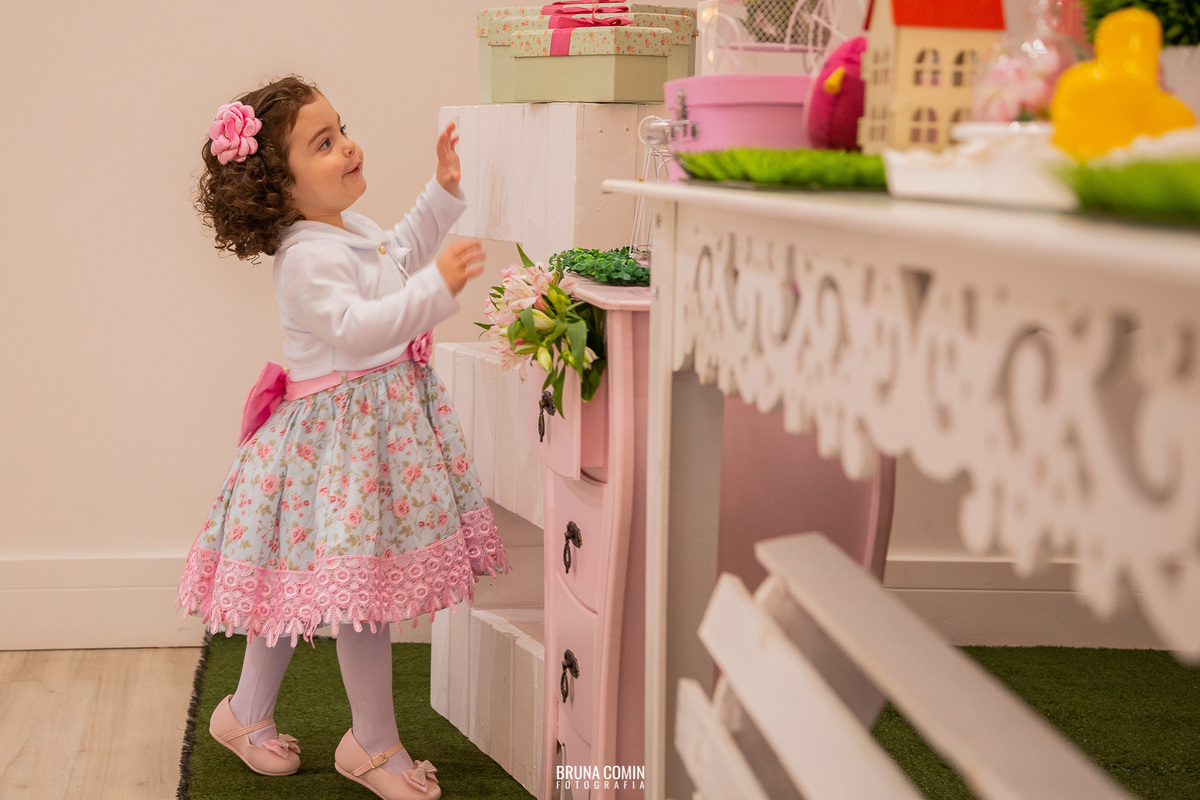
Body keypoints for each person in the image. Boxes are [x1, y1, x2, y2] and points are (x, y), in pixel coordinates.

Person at [178, 75, 507, 800]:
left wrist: (442, 194)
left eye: (342, 130)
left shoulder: (347, 229)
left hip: (365, 440)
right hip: (332, 451)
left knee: (300, 588)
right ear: (281, 186)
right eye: (323, 144)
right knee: (360, 592)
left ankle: (246, 712)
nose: (348, 148)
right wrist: (435, 290)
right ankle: (372, 742)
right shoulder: (304, 260)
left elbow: (397, 251)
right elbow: (359, 331)